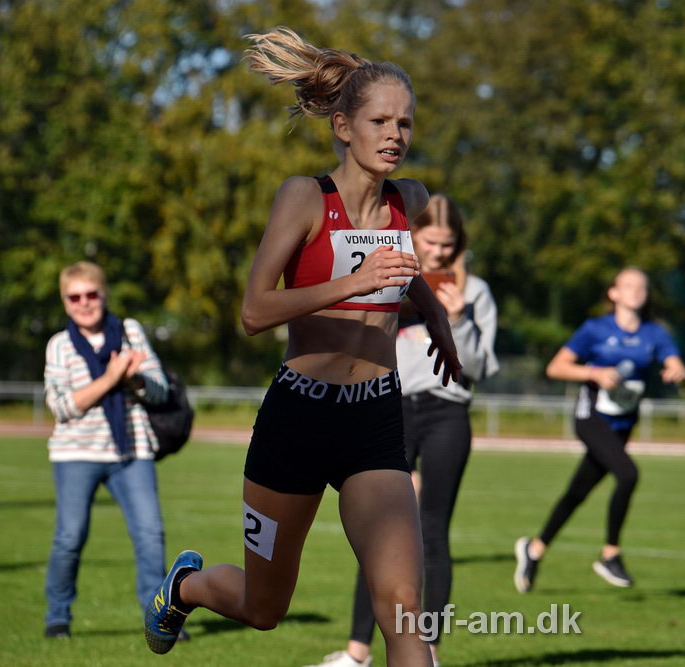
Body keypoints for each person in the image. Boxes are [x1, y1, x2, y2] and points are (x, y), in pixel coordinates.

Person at [141, 28, 460, 667]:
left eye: (405, 123)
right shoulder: (304, 197)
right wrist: (352, 284)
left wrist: (437, 322)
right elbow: (254, 312)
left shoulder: (412, 200)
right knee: (264, 609)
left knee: (403, 609)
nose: (395, 134)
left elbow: (406, 275)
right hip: (298, 419)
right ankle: (184, 588)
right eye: (379, 121)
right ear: (343, 126)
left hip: (374, 419)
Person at [311, 195, 499, 667]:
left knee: (433, 531)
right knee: (379, 532)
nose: (437, 252)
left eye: (447, 244)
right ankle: (357, 653)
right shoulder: (389, 275)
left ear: (459, 244)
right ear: (413, 235)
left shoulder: (476, 292)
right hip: (390, 408)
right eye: (429, 241)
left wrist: (457, 320)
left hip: (447, 413)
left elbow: (478, 368)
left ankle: (427, 653)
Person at [513, 267, 685, 593]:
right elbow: (556, 367)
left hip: (623, 422)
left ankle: (534, 549)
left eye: (642, 286)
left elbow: (675, 363)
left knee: (578, 491)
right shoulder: (595, 329)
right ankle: (611, 554)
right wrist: (594, 373)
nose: (636, 291)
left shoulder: (654, 333)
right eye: (628, 285)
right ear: (614, 293)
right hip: (591, 416)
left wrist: (678, 372)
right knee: (628, 474)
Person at [43, 261, 173, 640]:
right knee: (69, 538)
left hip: (132, 452)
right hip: (75, 455)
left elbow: (161, 392)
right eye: (74, 297)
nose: (84, 303)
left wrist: (134, 379)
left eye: (91, 294)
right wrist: (111, 377)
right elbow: (62, 407)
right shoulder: (59, 345)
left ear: (104, 295)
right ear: (65, 302)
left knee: (150, 534)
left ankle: (158, 620)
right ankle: (57, 618)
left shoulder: (129, 332)